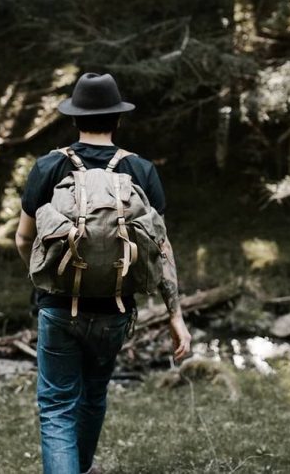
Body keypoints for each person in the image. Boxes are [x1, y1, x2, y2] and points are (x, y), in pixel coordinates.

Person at [15, 72, 191, 474]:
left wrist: (43, 272)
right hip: (115, 309)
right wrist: (175, 316)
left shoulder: (48, 166)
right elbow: (160, 247)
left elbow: (24, 238)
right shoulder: (141, 170)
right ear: (117, 119)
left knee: (58, 406)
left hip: (58, 308)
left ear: (75, 119)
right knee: (93, 396)